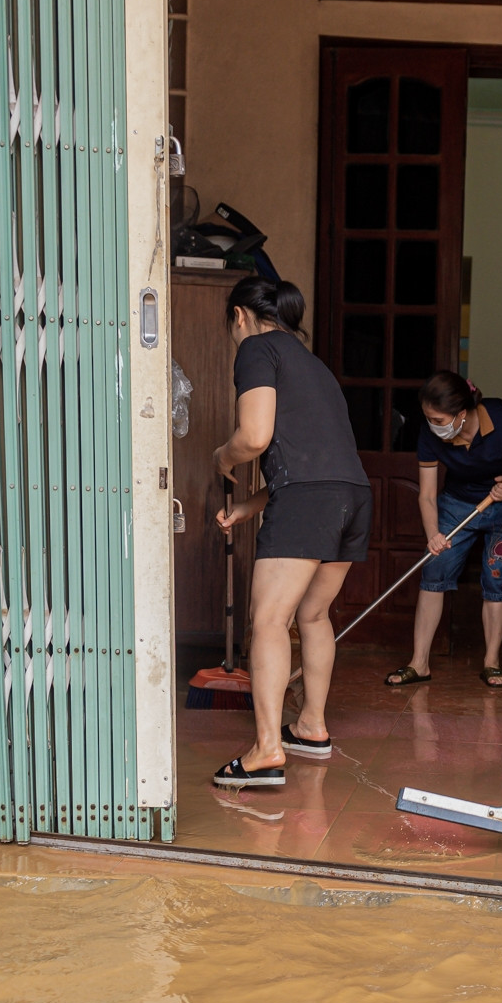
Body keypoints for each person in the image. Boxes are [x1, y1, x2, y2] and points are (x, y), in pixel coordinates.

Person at [210, 276, 371, 789]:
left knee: (270, 621)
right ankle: (311, 727)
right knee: (314, 614)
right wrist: (247, 508)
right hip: (353, 496)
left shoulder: (257, 347)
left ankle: (266, 750)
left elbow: (255, 438)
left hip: (312, 500)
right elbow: (315, 466)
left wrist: (223, 454)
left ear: (240, 316)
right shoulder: (314, 365)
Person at [385, 372, 502, 689]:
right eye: (427, 417)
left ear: (462, 413)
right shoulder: (430, 434)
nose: (431, 423)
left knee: (497, 577)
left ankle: (491, 663)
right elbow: (426, 494)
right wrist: (433, 536)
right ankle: (419, 663)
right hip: (457, 503)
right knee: (434, 572)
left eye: (437, 418)